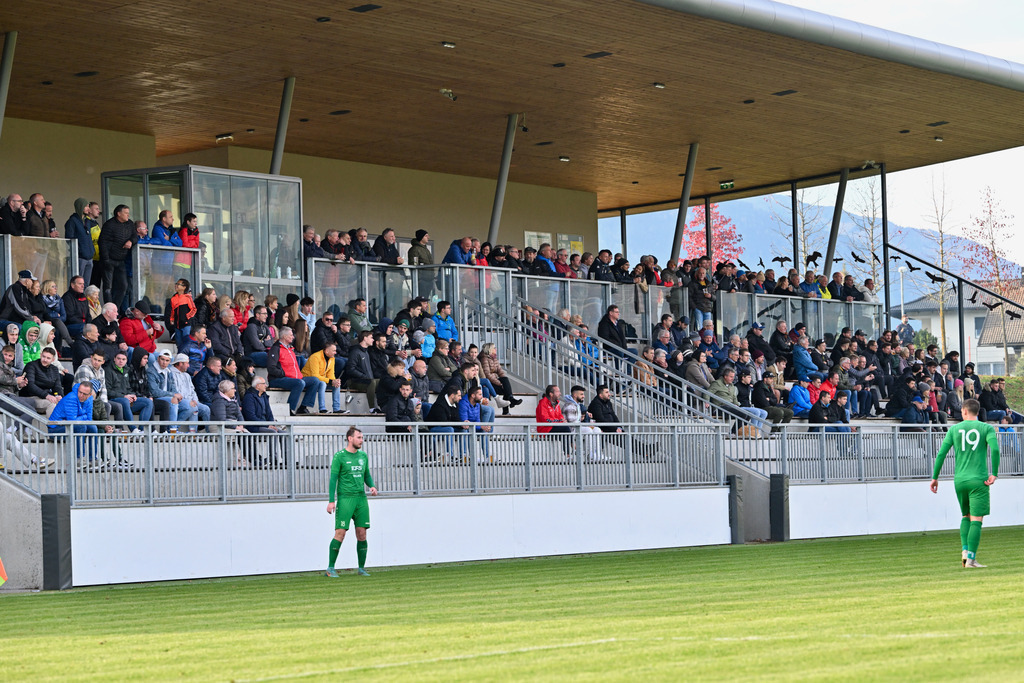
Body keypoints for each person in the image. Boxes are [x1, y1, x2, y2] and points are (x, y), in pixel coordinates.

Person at [930, 399, 999, 568]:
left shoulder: (954, 429)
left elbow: (941, 454)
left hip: (960, 480)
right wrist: (994, 473)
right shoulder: (986, 428)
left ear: (964, 411)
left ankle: (964, 553)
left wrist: (935, 477)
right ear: (977, 412)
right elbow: (995, 449)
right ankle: (971, 560)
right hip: (978, 480)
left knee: (965, 516)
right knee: (976, 519)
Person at [325, 427, 378, 578]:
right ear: (350, 438)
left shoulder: (363, 456)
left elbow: (366, 475)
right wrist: (331, 501)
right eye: (359, 437)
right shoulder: (339, 456)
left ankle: (361, 568)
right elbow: (333, 479)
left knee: (362, 534)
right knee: (340, 533)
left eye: (362, 438)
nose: (362, 440)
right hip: (345, 498)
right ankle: (330, 568)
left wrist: (372, 486)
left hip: (361, 499)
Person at [267, 327, 319, 416]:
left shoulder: (290, 349)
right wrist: (283, 374)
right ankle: (289, 409)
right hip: (278, 379)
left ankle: (303, 407)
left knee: (315, 381)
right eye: (291, 335)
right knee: (299, 383)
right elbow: (271, 368)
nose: (293, 337)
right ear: (284, 336)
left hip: (293, 378)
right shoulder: (276, 349)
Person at [98, 204, 138, 307]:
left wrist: (131, 241)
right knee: (108, 287)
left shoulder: (129, 224)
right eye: (126, 213)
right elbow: (102, 242)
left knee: (123, 286)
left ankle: (115, 308)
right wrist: (106, 259)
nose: (128, 215)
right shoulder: (109, 224)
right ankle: (108, 309)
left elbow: (135, 236)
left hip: (121, 260)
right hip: (109, 259)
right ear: (119, 214)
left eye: (128, 213)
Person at [303, 342, 346, 414]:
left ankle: (336, 409)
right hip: (309, 380)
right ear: (327, 351)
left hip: (320, 379)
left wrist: (334, 381)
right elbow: (315, 376)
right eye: (334, 351)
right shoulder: (315, 357)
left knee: (337, 385)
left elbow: (331, 374)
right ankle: (322, 408)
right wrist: (330, 381)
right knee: (323, 384)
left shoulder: (332, 358)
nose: (335, 353)